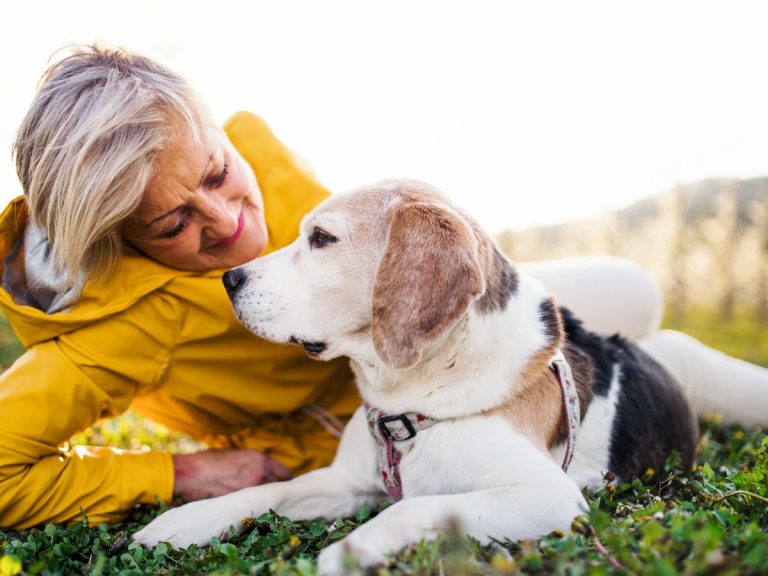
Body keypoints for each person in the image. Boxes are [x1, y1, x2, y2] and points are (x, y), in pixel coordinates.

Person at [0, 45, 766, 530]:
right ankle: (657, 370)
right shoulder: (106, 332)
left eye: (217, 172)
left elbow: (383, 262)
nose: (232, 223)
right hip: (359, 426)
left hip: (426, 359)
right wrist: (175, 472)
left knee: (633, 298)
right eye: (174, 224)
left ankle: (667, 371)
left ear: (215, 133)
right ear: (118, 242)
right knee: (637, 337)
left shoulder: (257, 145)